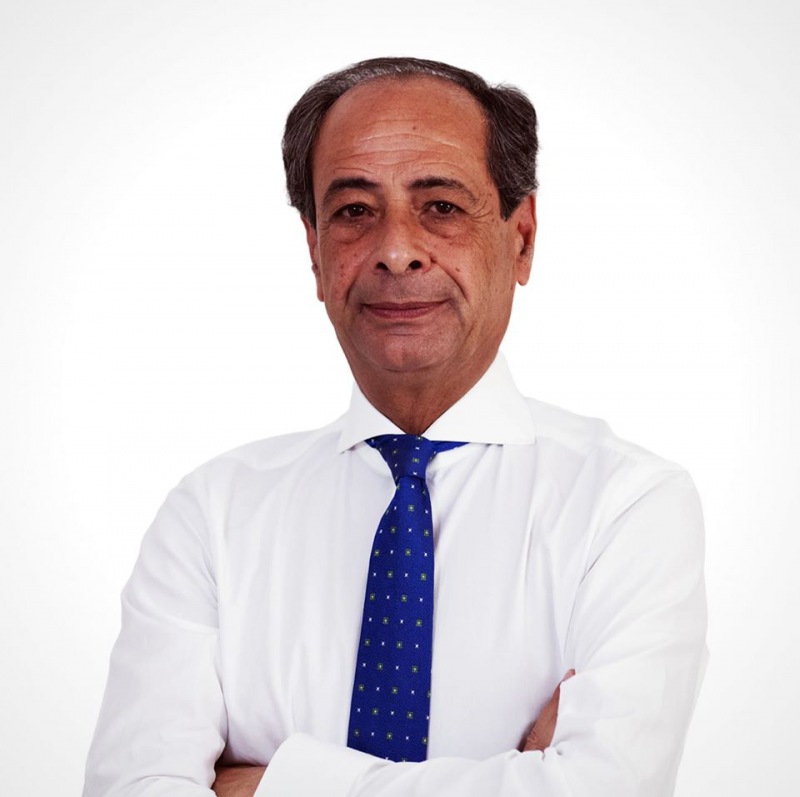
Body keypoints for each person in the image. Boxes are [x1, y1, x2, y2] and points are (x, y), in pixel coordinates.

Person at [83, 57, 707, 796]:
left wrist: (272, 784)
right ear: (315, 251)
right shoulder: (211, 517)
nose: (396, 250)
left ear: (522, 237)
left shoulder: (628, 507)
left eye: (440, 205)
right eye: (354, 211)